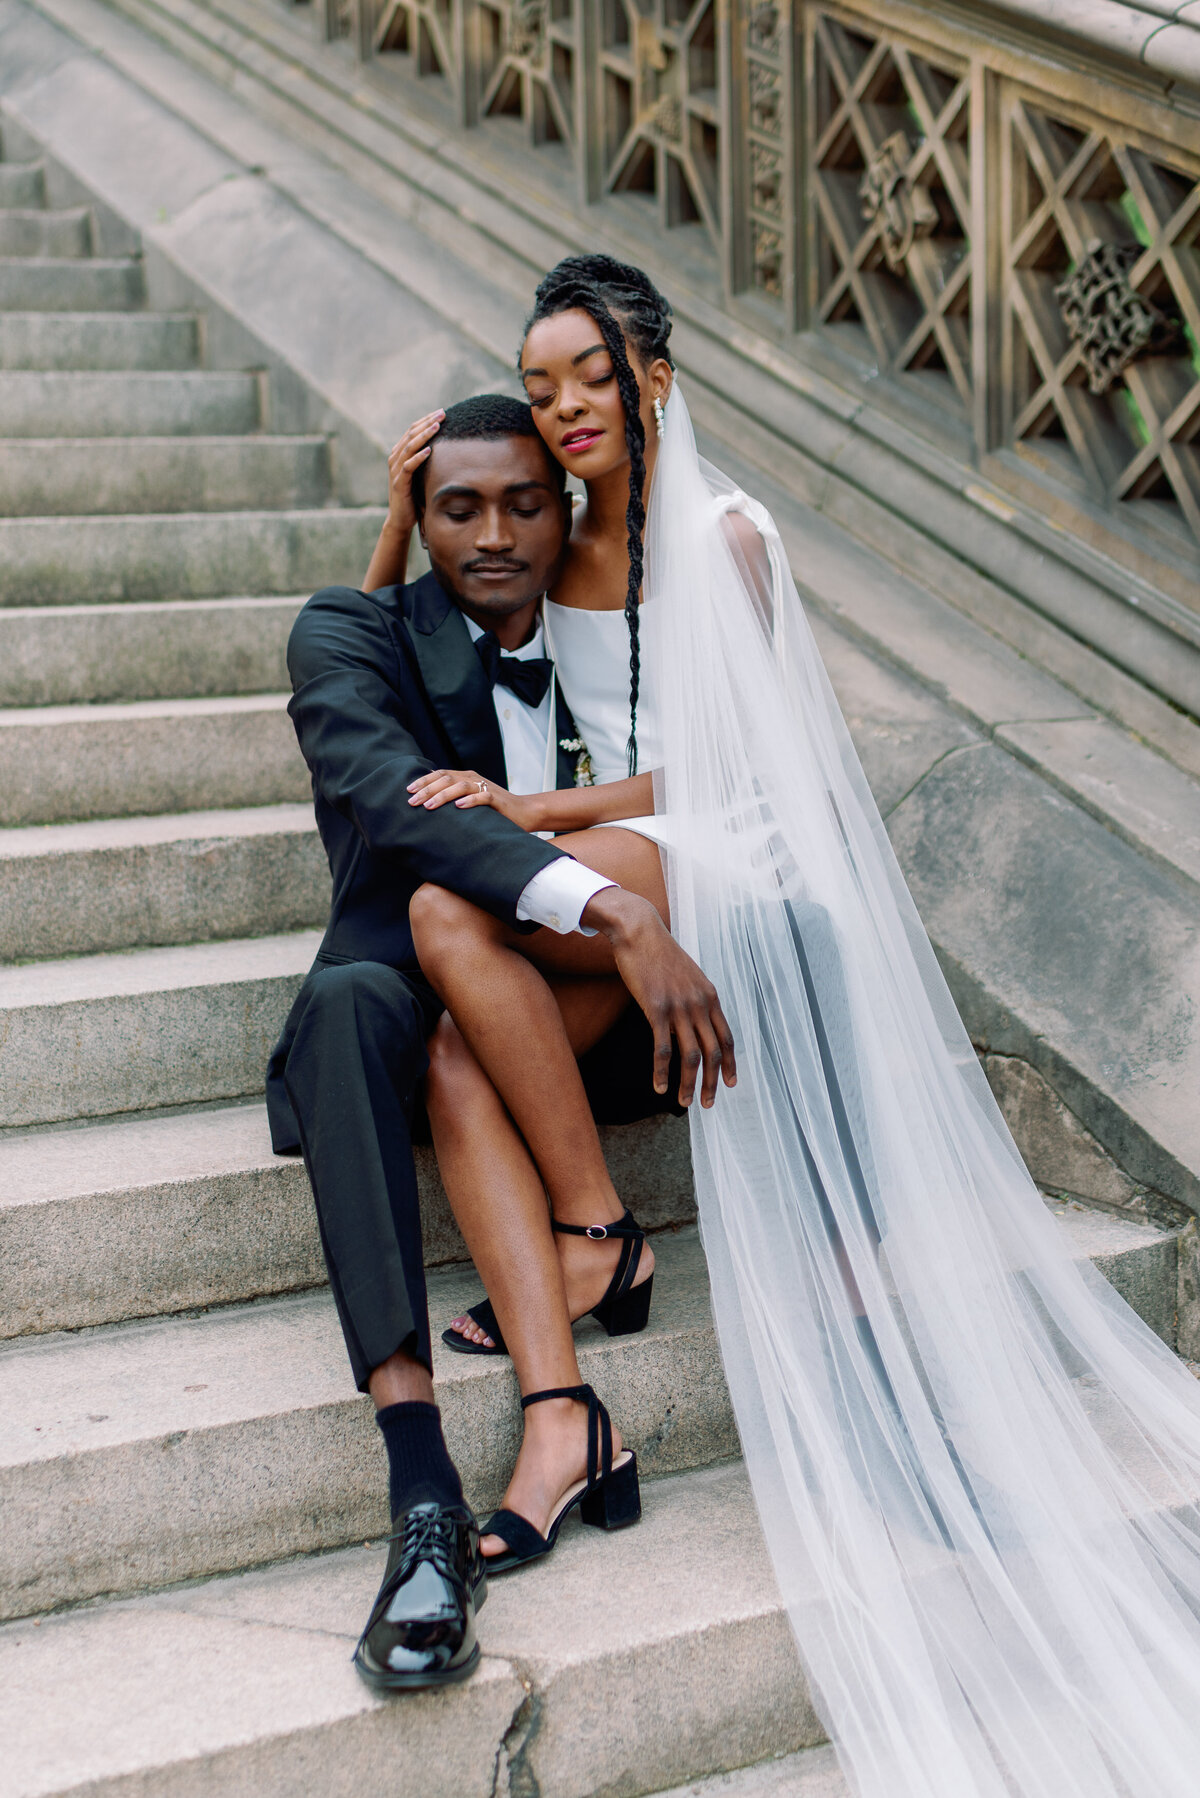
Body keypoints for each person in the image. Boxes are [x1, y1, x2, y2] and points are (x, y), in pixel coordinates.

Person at [370, 257, 1200, 1798]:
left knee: (460, 906)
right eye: (538, 384)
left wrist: (531, 809)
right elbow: (402, 637)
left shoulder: (727, 539)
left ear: (654, 377)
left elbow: (732, 769)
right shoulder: (544, 545)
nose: (559, 410)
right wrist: (401, 493)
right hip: (622, 874)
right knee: (446, 1024)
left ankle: (601, 1223)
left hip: (726, 845)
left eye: (587, 379)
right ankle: (582, 1312)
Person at [266, 392, 732, 1691]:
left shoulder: (605, 633)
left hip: (556, 1002)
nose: (491, 533)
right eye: (457, 505)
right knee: (352, 1005)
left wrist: (636, 892)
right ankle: (422, 1490)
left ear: (567, 506)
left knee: (469, 1020)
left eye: (524, 501)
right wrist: (609, 904)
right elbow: (389, 806)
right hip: (424, 983)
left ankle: (567, 1395)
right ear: (416, 515)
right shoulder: (354, 634)